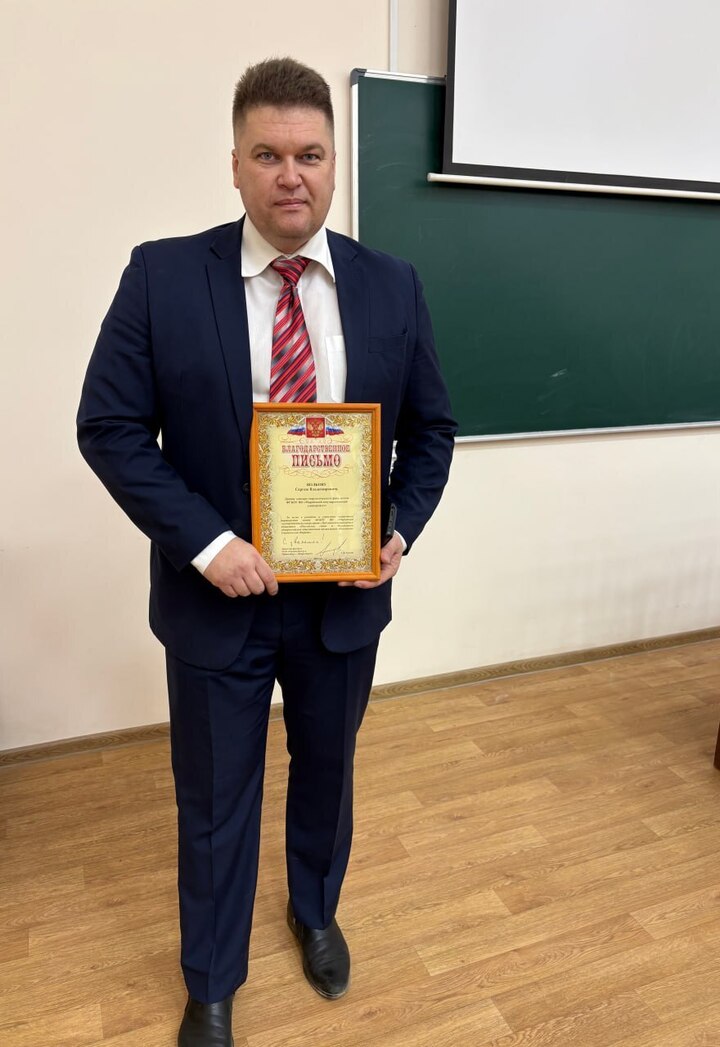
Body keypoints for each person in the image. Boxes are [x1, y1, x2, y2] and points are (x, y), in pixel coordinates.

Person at [77, 57, 456, 1047]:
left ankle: (314, 911)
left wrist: (395, 531)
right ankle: (211, 980)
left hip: (342, 602)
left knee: (327, 771)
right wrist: (208, 545)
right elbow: (109, 426)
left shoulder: (393, 285)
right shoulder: (162, 275)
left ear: (334, 166)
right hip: (219, 600)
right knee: (214, 798)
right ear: (236, 165)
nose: (292, 174)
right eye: (269, 155)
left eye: (311, 155)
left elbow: (432, 430)